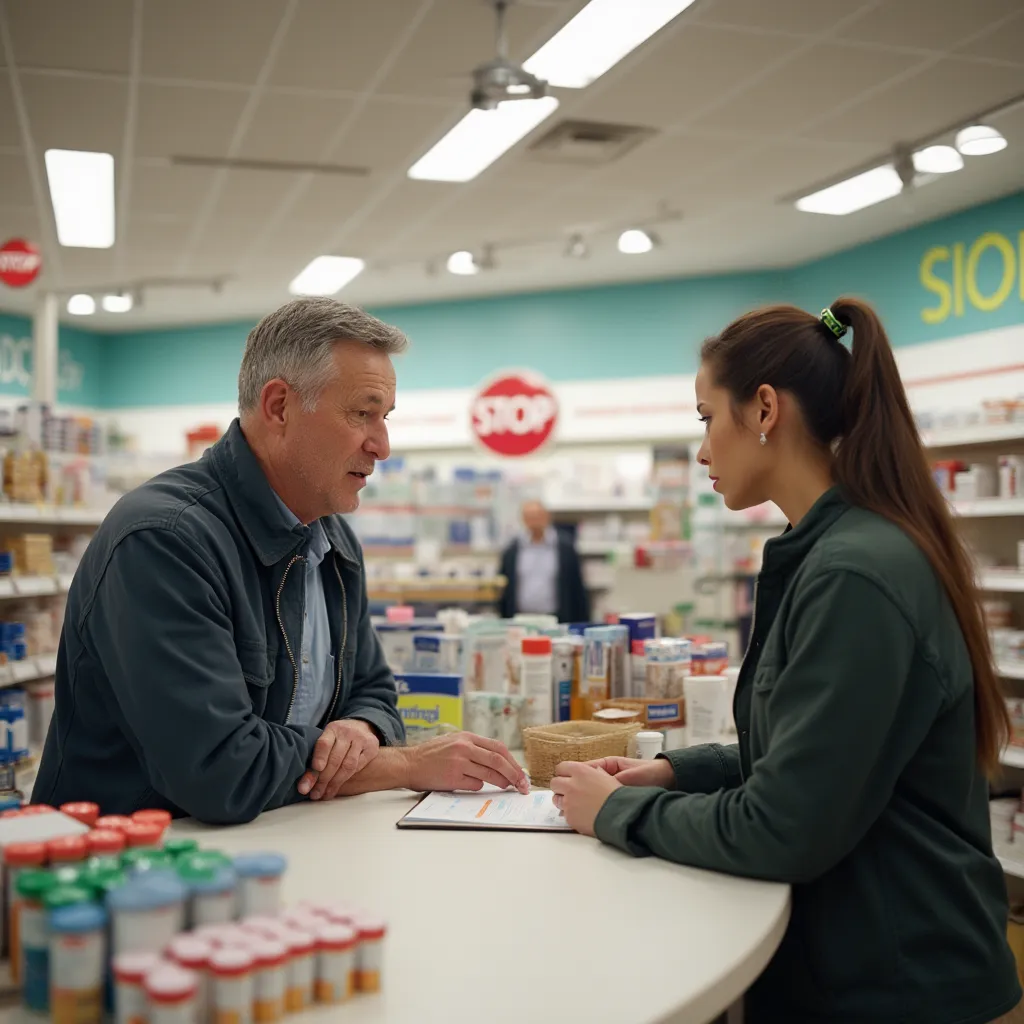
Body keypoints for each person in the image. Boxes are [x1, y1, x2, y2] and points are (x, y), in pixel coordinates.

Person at [551, 298, 1021, 1023]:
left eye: (707, 417)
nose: (703, 449)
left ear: (764, 409)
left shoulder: (854, 574)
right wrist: (678, 770)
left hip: (899, 986)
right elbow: (816, 758)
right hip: (872, 965)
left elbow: (786, 829)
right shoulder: (842, 551)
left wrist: (622, 812)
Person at [34, 298, 528, 824]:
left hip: (277, 843)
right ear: (279, 408)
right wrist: (401, 764)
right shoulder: (165, 540)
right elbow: (220, 769)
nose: (382, 445)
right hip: (117, 869)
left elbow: (374, 688)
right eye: (362, 413)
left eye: (384, 418)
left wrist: (361, 730)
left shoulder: (332, 537)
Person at [498, 500, 589, 623]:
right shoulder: (511, 551)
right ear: (523, 519)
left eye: (537, 516)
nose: (534, 521)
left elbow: (577, 588)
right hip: (521, 619)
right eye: (529, 517)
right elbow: (504, 588)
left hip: (558, 619)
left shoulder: (565, 548)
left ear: (547, 517)